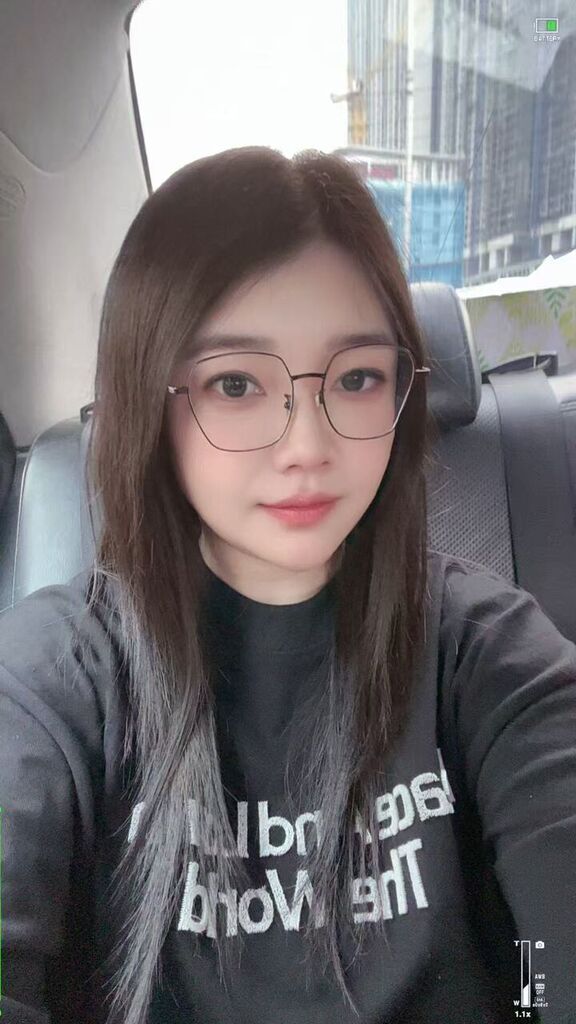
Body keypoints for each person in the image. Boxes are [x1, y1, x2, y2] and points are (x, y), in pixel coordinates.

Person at [0, 146, 574, 1024]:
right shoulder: (57, 677)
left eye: (357, 378)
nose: (308, 445)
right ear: (150, 401)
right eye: (236, 384)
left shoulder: (486, 651)